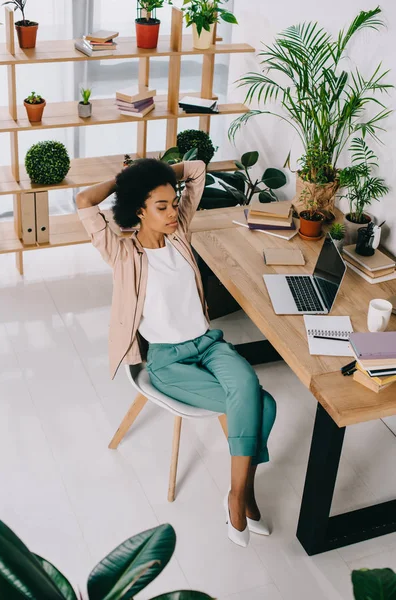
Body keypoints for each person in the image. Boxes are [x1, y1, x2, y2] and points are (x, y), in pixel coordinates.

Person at [76, 158, 277, 547]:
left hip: (209, 344)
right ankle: (243, 496)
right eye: (161, 206)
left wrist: (156, 174)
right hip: (168, 359)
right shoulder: (124, 255)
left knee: (250, 389)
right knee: (261, 406)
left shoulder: (179, 234)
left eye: (173, 203)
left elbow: (197, 169)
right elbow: (85, 200)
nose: (172, 213)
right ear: (139, 210)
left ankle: (238, 493)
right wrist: (127, 179)